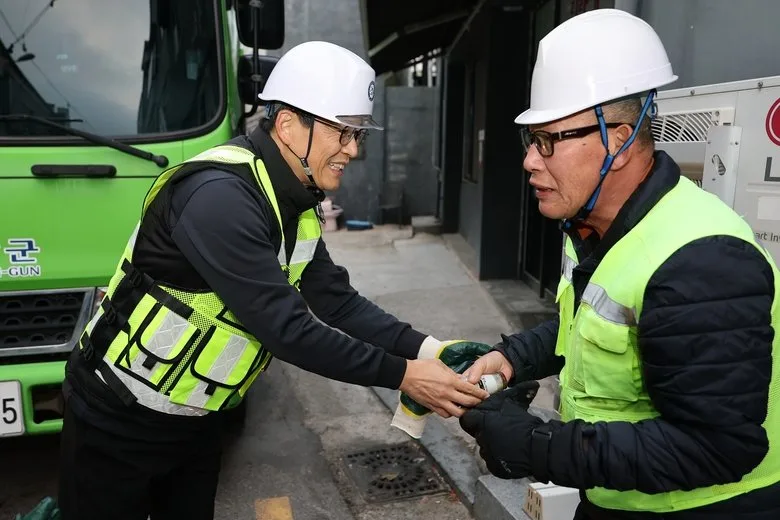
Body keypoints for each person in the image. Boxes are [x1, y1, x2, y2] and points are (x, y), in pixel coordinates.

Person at [57, 40, 488, 520]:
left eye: (358, 134)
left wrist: (430, 350)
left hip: (197, 422)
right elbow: (287, 330)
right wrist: (405, 375)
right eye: (342, 131)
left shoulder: (293, 201)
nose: (352, 149)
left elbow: (337, 301)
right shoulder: (219, 197)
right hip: (116, 418)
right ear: (287, 125)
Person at [459, 8, 780, 519]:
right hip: (617, 496)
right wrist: (516, 357)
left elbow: (717, 446)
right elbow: (593, 325)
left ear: (619, 139)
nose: (529, 161)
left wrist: (535, 445)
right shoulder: (594, 227)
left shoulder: (703, 260)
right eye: (530, 140)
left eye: (548, 141)